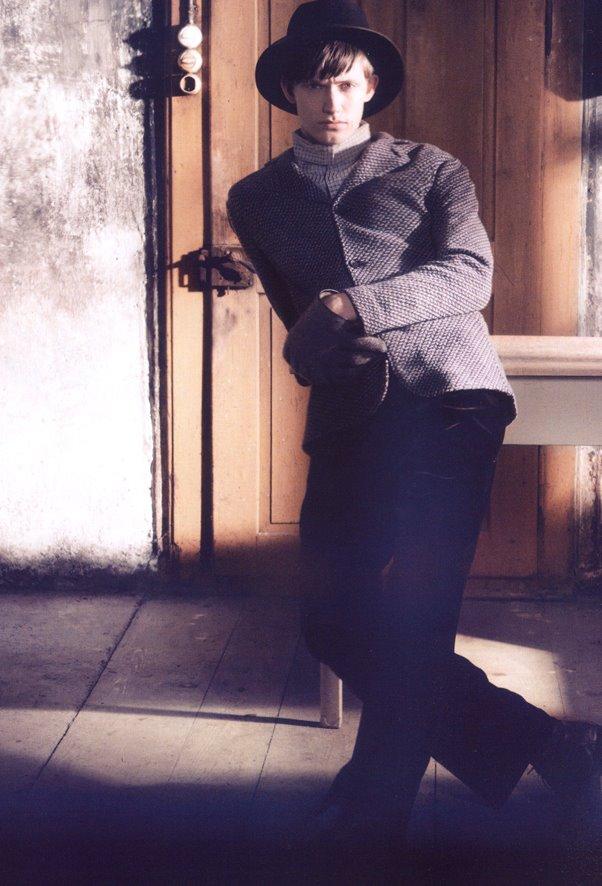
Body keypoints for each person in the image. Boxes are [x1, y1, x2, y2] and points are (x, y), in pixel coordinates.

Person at [226, 0, 600, 860]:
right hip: (354, 416)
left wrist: (353, 305)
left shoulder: (432, 169)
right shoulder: (257, 197)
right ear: (289, 91)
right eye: (315, 85)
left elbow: (468, 275)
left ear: (371, 87)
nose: (331, 102)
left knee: (419, 616)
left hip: (452, 400)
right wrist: (316, 349)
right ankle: (553, 745)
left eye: (347, 84)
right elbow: (298, 316)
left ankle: (375, 813)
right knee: (332, 618)